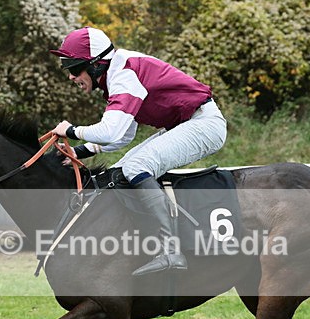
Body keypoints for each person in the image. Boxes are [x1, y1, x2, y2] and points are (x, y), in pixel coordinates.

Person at [51, 27, 227, 276]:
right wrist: (79, 152)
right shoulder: (118, 74)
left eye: (74, 68)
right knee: (119, 170)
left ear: (96, 64)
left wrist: (71, 130)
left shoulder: (124, 75)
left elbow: (110, 131)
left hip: (204, 124)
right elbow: (124, 135)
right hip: (189, 123)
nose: (70, 77)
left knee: (135, 167)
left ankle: (170, 249)